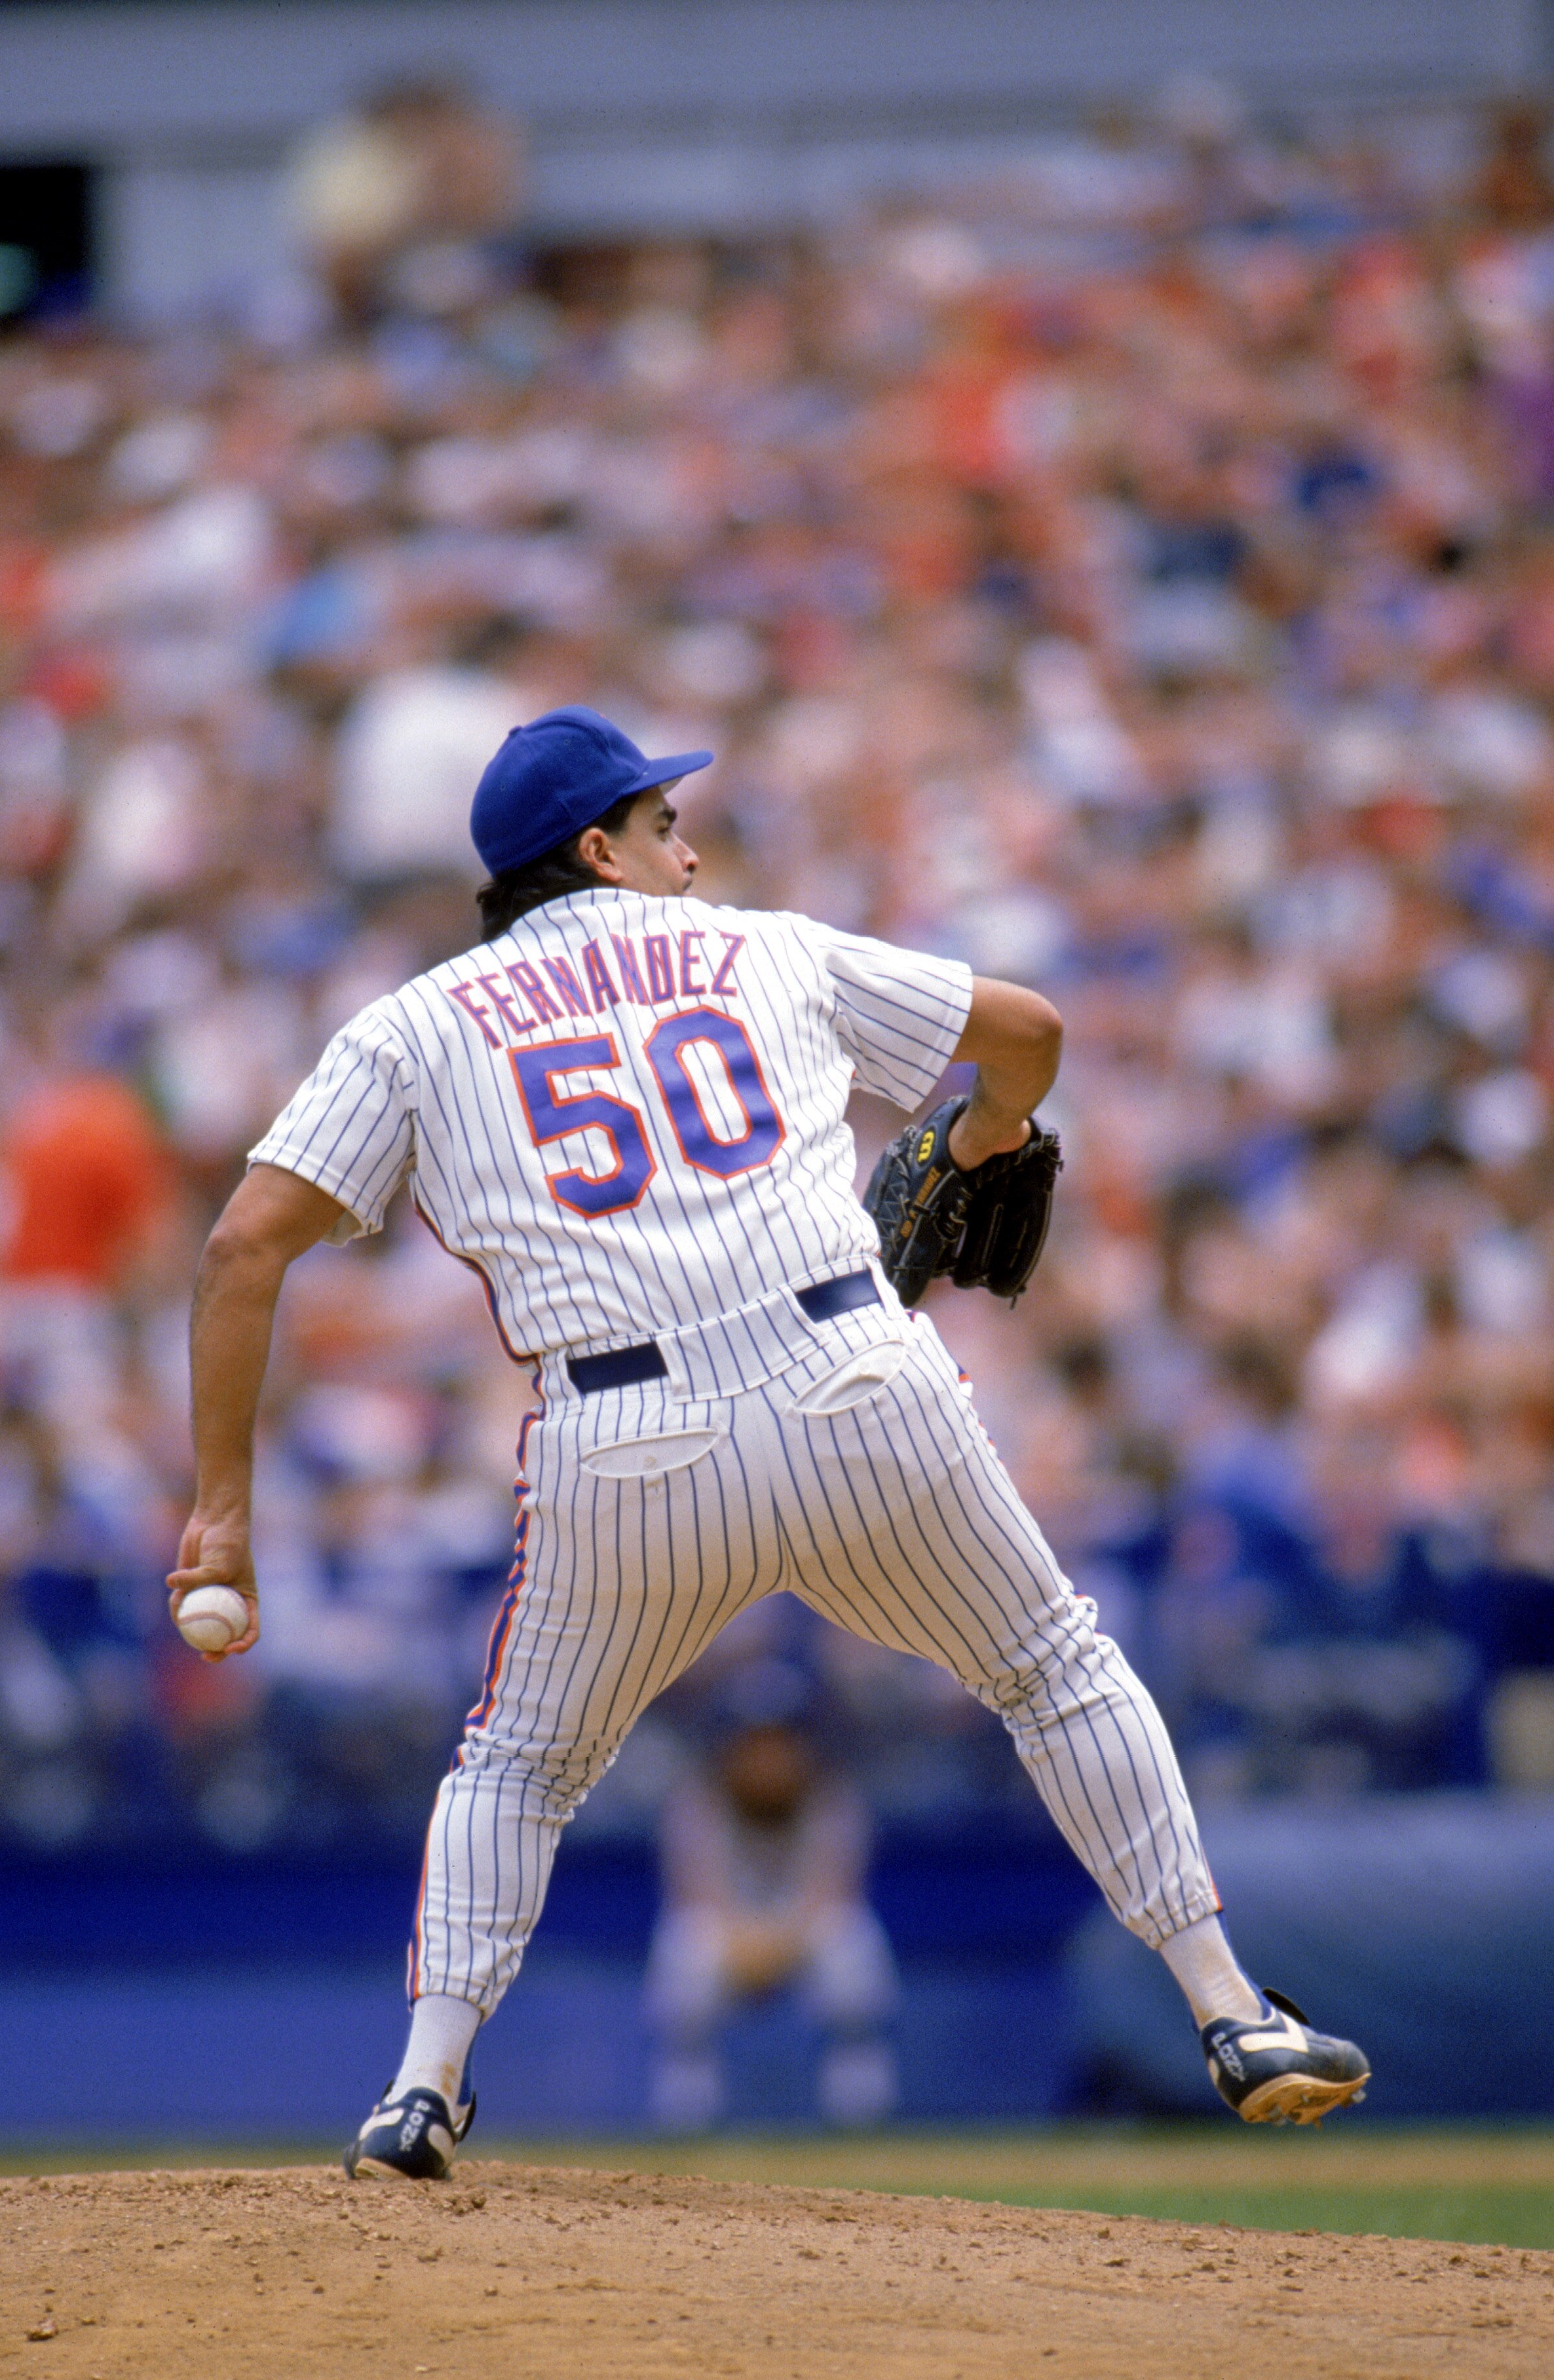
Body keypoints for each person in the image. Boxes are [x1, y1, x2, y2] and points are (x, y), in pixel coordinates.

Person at [167, 704, 1371, 2180]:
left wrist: (223, 1510)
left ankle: (420, 2093)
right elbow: (1034, 1032)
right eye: (664, 822)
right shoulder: (761, 945)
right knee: (1053, 1665)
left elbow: (241, 1247)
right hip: (854, 1374)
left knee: (520, 1766)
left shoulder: (413, 1022)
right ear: (596, 849)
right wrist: (986, 1132)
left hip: (626, 1438)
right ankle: (1233, 2012)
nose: (693, 845)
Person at [646, 1710, 898, 2132]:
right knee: (685, 1943)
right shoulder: (699, 1800)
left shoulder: (832, 1798)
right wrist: (746, 1944)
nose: (769, 1759)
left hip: (802, 1930)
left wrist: (780, 1944)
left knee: (850, 1937)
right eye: (756, 1746)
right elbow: (698, 1894)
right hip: (728, 1929)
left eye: (780, 1745)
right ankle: (685, 2118)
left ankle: (861, 2116)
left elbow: (831, 1892)